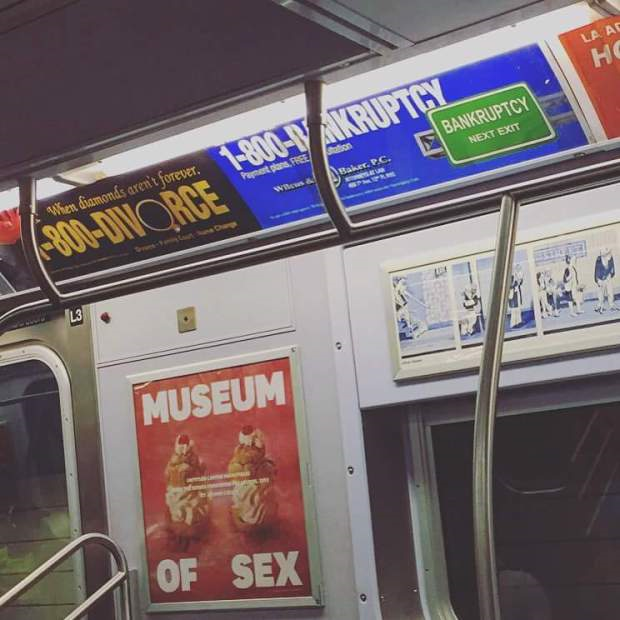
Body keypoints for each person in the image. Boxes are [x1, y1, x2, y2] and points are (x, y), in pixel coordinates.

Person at [594, 247, 619, 312]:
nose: (610, 254)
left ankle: (611, 305)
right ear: (603, 254)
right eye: (608, 253)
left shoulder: (610, 258)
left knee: (610, 292)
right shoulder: (599, 259)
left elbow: (612, 266)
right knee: (601, 294)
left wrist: (612, 273)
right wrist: (597, 280)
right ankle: (600, 306)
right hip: (601, 278)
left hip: (608, 277)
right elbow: (596, 270)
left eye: (609, 253)